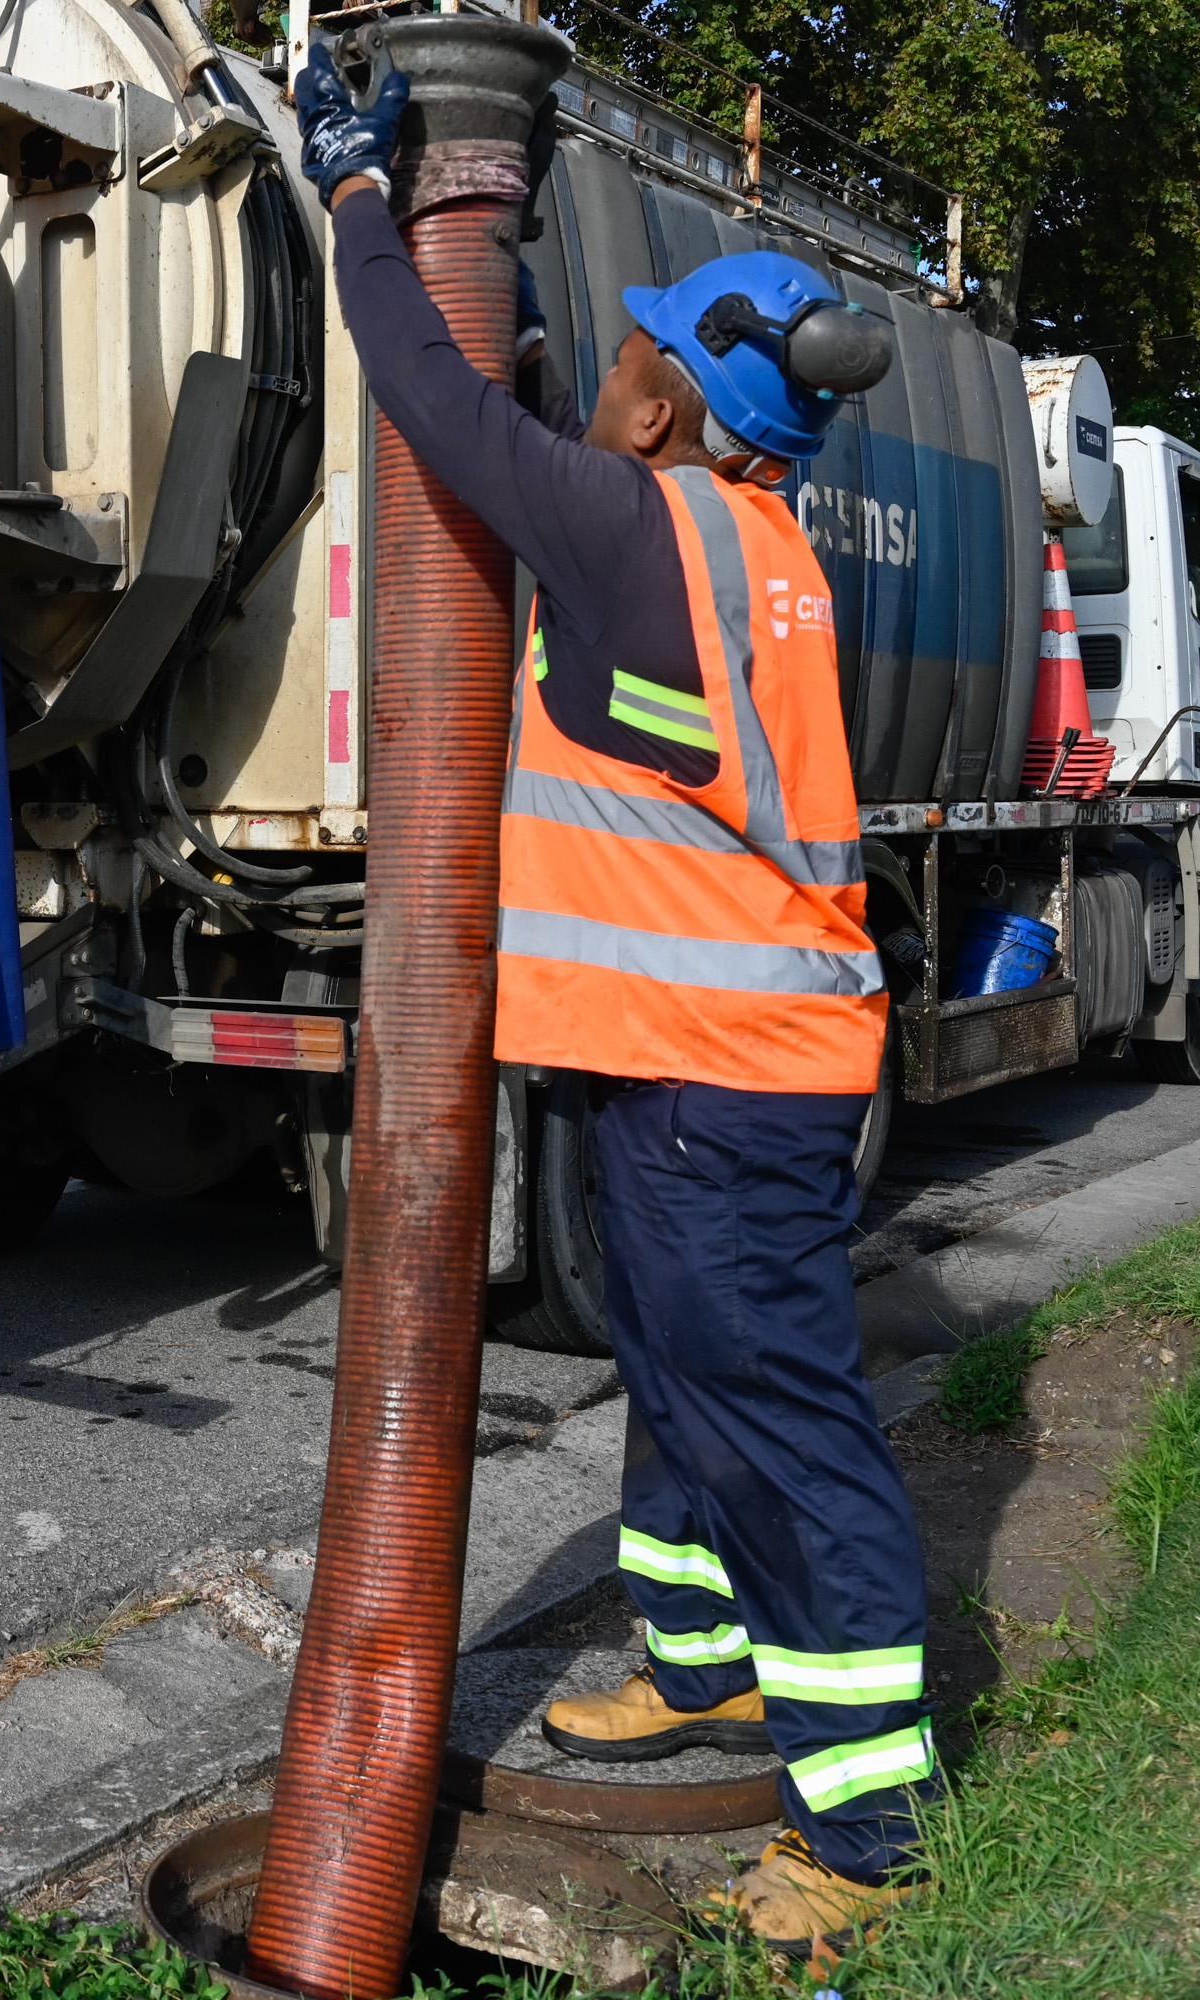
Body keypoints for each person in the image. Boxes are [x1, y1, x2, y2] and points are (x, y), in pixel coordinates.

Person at [298, 47, 929, 1958]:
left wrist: (350, 196)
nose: (611, 369)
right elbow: (558, 428)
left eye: (639, 353)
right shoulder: (738, 536)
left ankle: (870, 1829)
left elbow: (432, 401)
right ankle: (696, 1651)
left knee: (782, 1422)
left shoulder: (637, 533)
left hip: (722, 1080)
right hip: (710, 1063)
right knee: (679, 1375)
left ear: (677, 404)